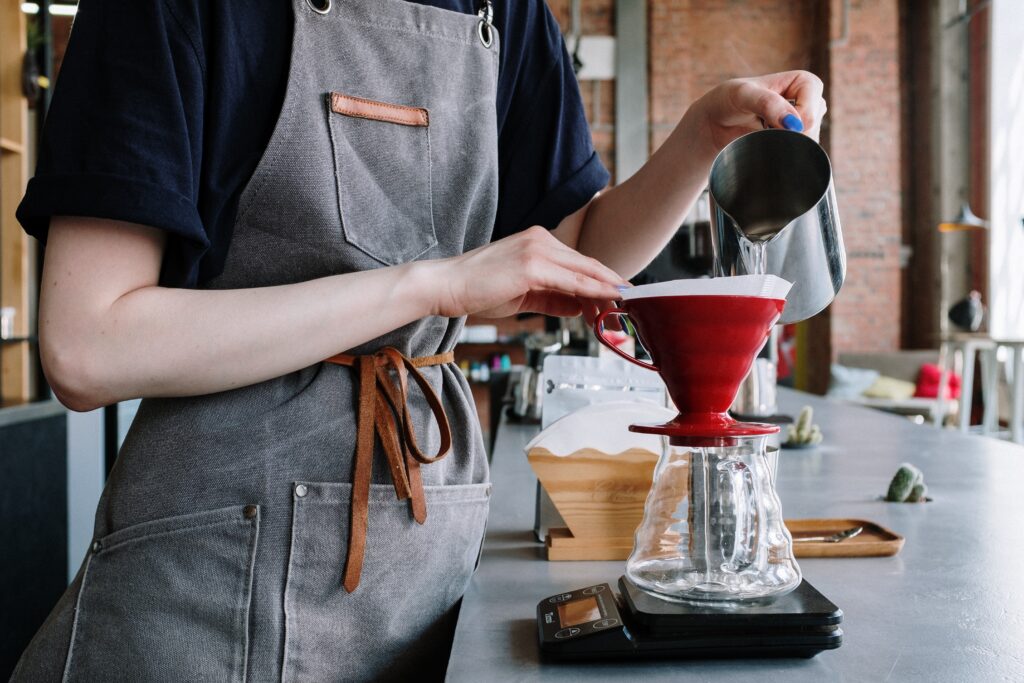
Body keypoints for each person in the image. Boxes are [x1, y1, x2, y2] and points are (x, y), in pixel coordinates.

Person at [11, 0, 826, 680]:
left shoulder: (503, 10)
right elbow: (90, 345)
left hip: (420, 565)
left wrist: (700, 138)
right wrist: (435, 283)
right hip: (204, 591)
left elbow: (580, 255)